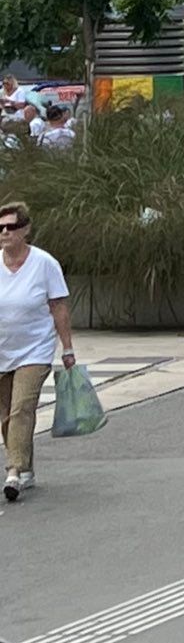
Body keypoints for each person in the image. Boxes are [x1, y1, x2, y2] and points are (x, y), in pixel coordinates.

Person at [0, 203, 76, 502]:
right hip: (2, 350)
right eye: (0, 228)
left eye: (11, 227)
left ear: (26, 229)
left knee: (22, 407)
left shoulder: (44, 264)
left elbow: (59, 306)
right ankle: (27, 468)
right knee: (6, 415)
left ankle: (14, 471)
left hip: (35, 349)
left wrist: (67, 348)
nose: (5, 232)